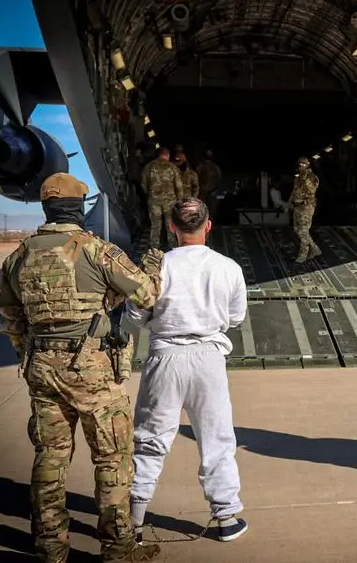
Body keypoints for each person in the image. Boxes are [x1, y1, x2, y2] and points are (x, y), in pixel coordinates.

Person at [0, 173, 162, 562]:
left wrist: (32, 354)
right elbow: (147, 294)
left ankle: (50, 547)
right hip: (92, 370)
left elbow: (11, 318)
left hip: (42, 367)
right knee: (112, 456)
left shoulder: (18, 256)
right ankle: (119, 548)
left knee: (50, 456)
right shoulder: (97, 250)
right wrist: (154, 263)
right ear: (78, 208)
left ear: (47, 207)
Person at [126, 198, 250, 543]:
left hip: (164, 357)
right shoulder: (228, 268)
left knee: (150, 441)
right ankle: (226, 518)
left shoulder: (158, 267)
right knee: (217, 440)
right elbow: (236, 317)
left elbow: (135, 314)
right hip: (208, 359)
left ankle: (133, 521)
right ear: (208, 226)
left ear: (172, 227)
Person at [142, 147, 184, 251]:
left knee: (155, 225)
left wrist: (149, 194)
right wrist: (180, 201)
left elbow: (143, 184)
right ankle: (173, 248)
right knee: (170, 225)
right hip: (169, 202)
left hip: (154, 201)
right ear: (168, 155)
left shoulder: (149, 166)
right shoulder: (173, 167)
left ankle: (154, 249)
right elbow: (179, 186)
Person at [289, 157, 322, 262]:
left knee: (303, 230)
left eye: (303, 164)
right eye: (300, 164)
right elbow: (294, 191)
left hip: (306, 207)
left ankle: (303, 254)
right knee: (297, 229)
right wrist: (290, 202)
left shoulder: (311, 177)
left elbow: (311, 190)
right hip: (297, 206)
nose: (301, 166)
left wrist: (303, 179)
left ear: (308, 164)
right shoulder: (298, 178)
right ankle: (315, 249)